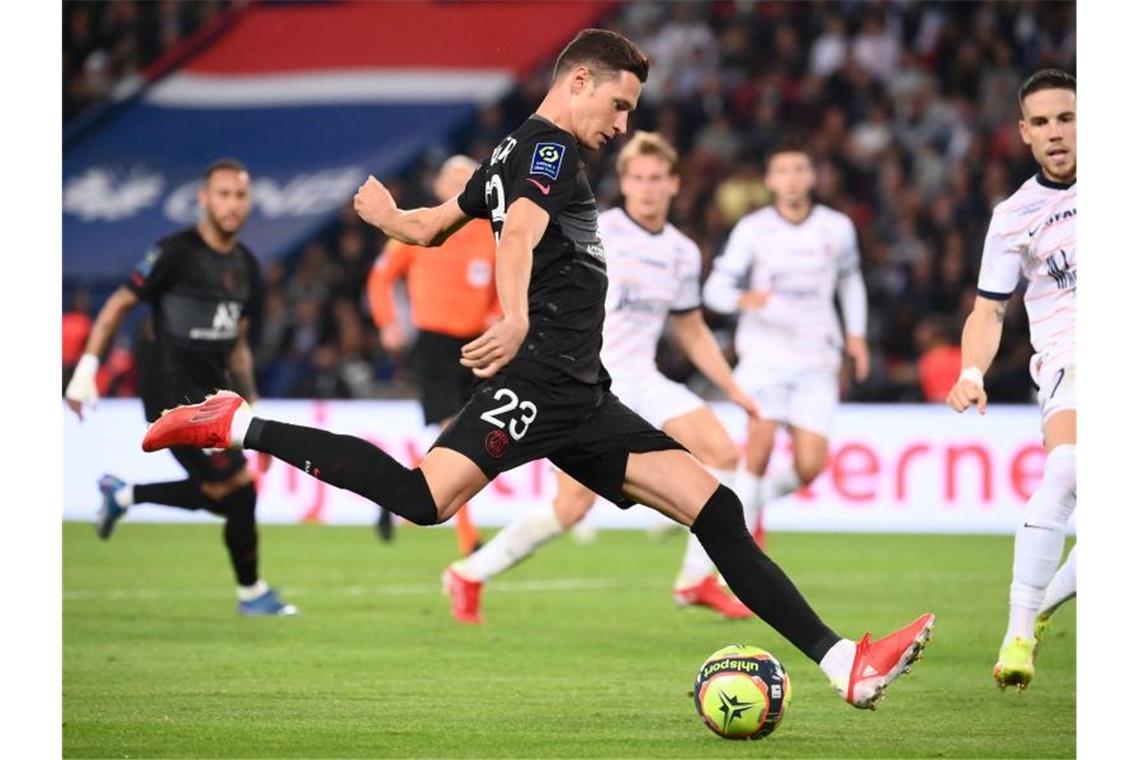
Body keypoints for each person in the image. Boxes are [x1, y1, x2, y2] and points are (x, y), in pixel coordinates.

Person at [142, 29, 932, 708]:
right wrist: (515, 315)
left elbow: (432, 225)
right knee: (423, 499)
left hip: (584, 394)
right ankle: (238, 421)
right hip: (543, 376)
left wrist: (392, 219)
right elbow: (515, 236)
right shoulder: (547, 148)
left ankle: (846, 666)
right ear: (579, 80)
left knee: (718, 509)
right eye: (618, 105)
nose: (623, 125)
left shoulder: (508, 152)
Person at [442, 131, 759, 624]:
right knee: (570, 509)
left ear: (674, 184)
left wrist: (735, 390)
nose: (647, 188)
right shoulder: (599, 227)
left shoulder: (682, 252)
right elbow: (531, 258)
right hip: (586, 375)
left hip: (643, 379)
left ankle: (697, 579)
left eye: (656, 178)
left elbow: (692, 330)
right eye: (637, 178)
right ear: (624, 183)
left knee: (723, 452)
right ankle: (469, 573)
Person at [65, 158, 296, 617]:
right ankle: (251, 594)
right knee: (238, 489)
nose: (232, 205)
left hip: (214, 396)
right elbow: (116, 306)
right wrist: (86, 368)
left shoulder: (247, 266)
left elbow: (238, 346)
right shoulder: (173, 253)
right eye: (223, 194)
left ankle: (124, 494)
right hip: (169, 393)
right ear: (204, 199)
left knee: (225, 495)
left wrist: (257, 412)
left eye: (240, 196)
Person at [946, 69, 1076, 691]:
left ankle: (1045, 600)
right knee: (1070, 467)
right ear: (1024, 133)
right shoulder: (1015, 215)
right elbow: (989, 309)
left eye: (1067, 118)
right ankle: (1019, 630)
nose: (1056, 133)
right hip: (1069, 360)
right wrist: (972, 370)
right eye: (1043, 122)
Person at [703, 141, 870, 548]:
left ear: (812, 177)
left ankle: (742, 507)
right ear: (769, 180)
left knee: (810, 466)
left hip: (817, 358)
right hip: (765, 356)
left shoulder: (837, 227)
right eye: (783, 171)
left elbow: (850, 281)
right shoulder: (753, 229)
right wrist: (742, 299)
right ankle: (735, 549)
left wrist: (856, 335)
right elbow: (714, 289)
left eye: (799, 170)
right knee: (757, 450)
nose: (792, 179)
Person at [367, 155, 498, 553]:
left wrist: (499, 316)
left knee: (465, 440)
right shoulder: (420, 226)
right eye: (453, 181)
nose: (460, 188)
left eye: (468, 181)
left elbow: (506, 290)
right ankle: (468, 538)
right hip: (434, 345)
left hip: (477, 346)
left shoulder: (491, 235)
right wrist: (388, 321)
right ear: (440, 188)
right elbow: (380, 277)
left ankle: (396, 499)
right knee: (452, 432)